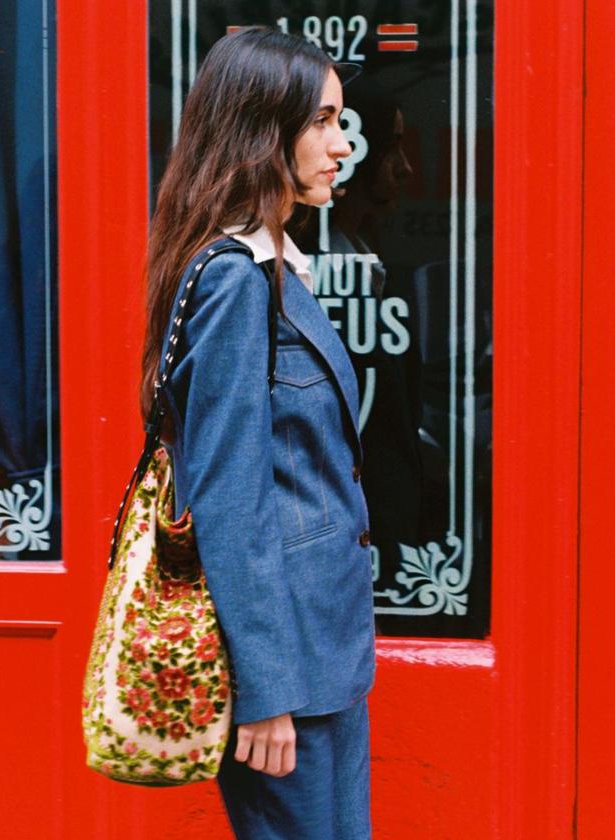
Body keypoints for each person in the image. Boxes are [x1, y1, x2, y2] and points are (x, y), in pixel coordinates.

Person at [141, 27, 376, 838]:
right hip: (290, 669)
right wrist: (265, 690)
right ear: (259, 130)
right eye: (321, 122)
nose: (341, 144)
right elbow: (231, 497)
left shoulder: (275, 271)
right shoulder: (236, 282)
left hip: (326, 650)